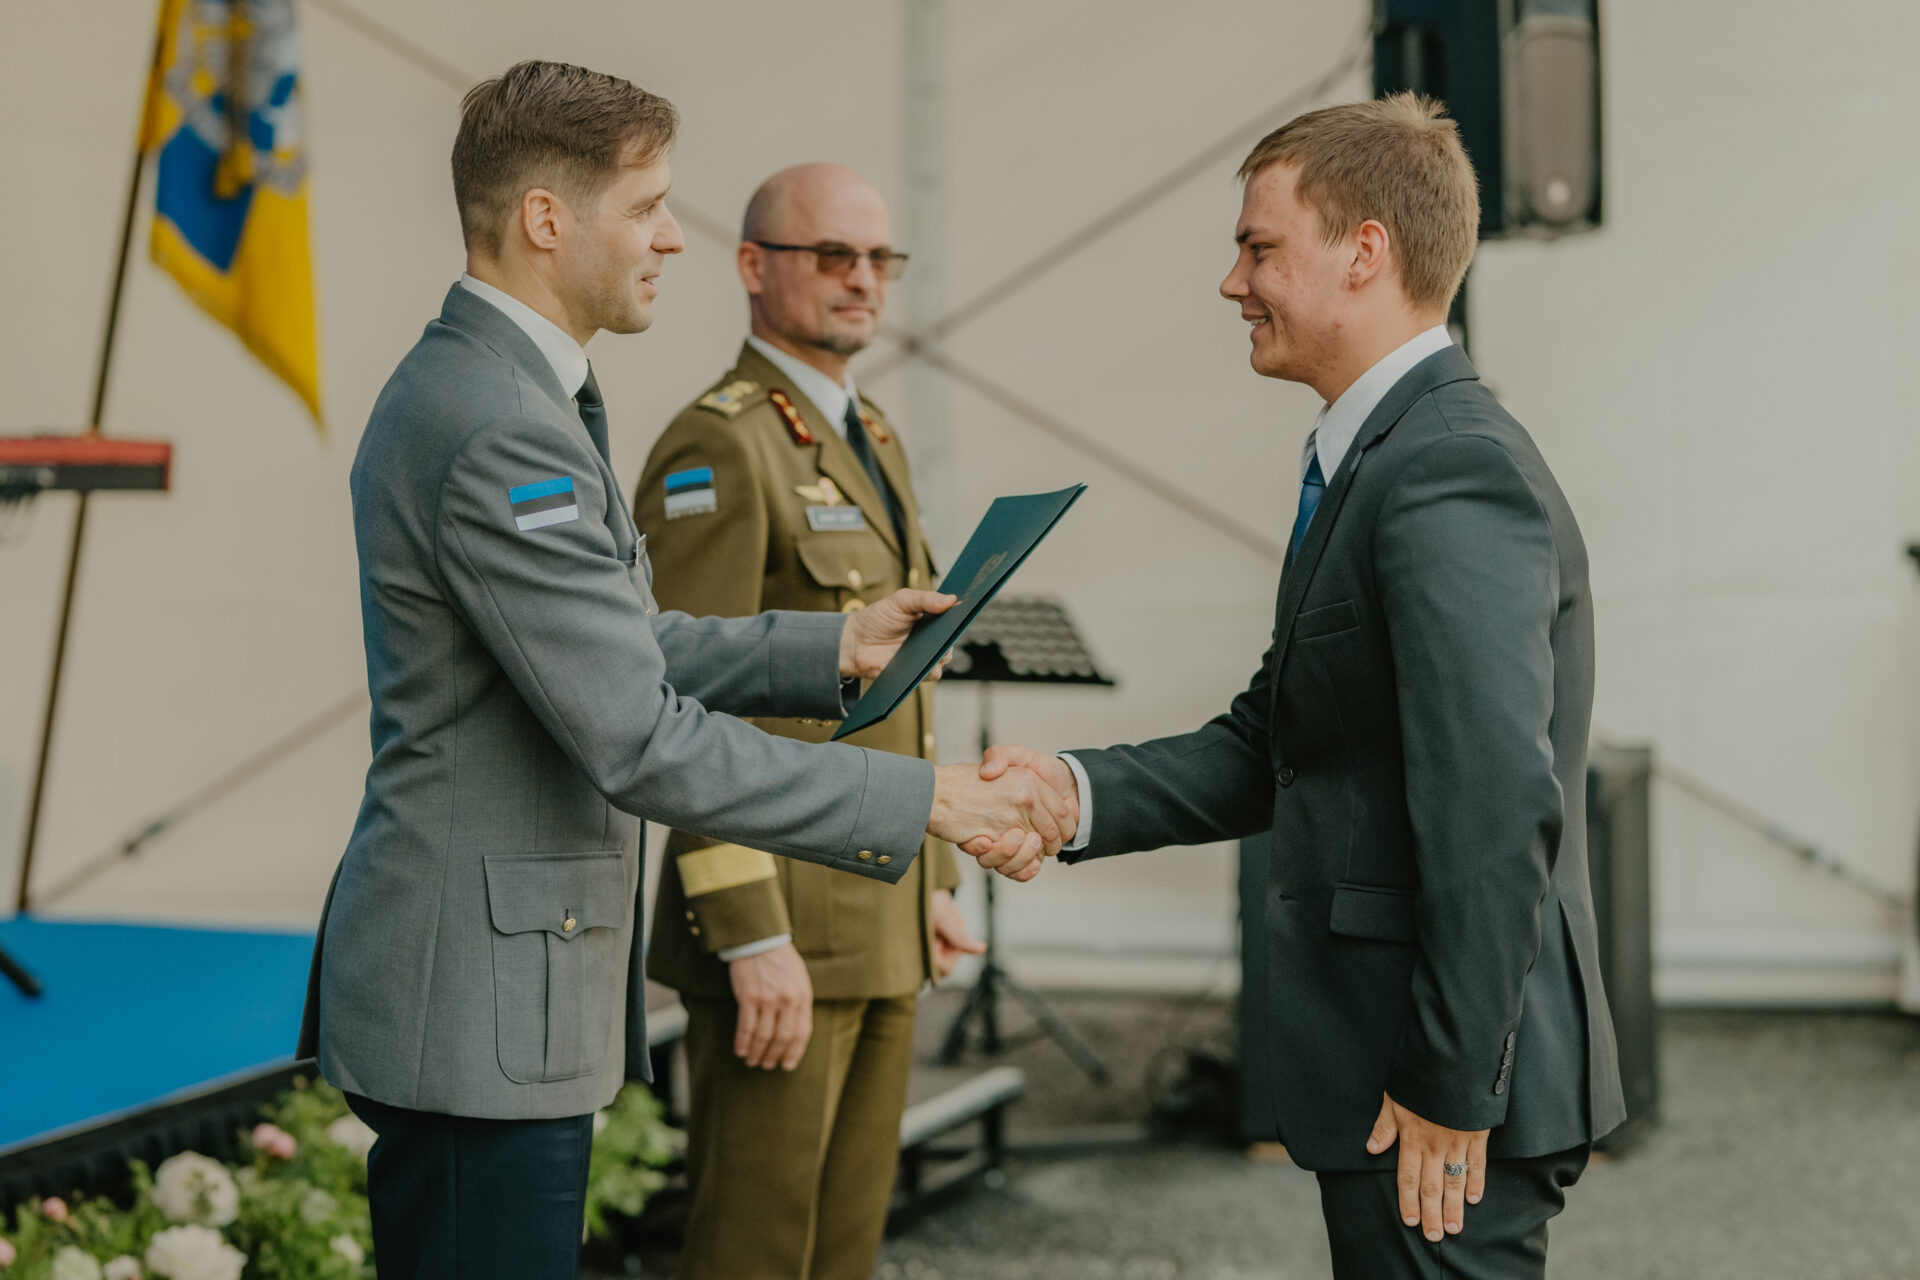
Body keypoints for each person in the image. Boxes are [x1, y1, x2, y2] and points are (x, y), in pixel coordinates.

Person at [296, 61, 1070, 1280]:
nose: (670, 237)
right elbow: (639, 733)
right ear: (546, 220)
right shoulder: (501, 422)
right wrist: (930, 801)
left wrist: (832, 643)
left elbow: (623, 643)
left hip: (497, 982)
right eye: (647, 206)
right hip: (477, 994)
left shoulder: (510, 391)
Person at [979, 94, 1624, 1279]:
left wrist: (1449, 1080)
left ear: (1364, 250)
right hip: (1399, 1069)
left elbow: (1493, 804)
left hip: (1437, 1092)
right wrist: (1069, 792)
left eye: (1259, 247)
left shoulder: (1448, 467)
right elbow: (1272, 737)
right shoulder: (1383, 455)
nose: (1234, 282)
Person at [634, 163, 983, 1280]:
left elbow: (897, 693)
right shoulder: (720, 445)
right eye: (834, 255)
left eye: (881, 258)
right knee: (756, 1249)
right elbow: (679, 703)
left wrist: (931, 883)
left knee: (842, 1253)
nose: (864, 279)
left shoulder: (868, 429)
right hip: (781, 929)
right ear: (753, 266)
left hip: (878, 907)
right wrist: (748, 929)